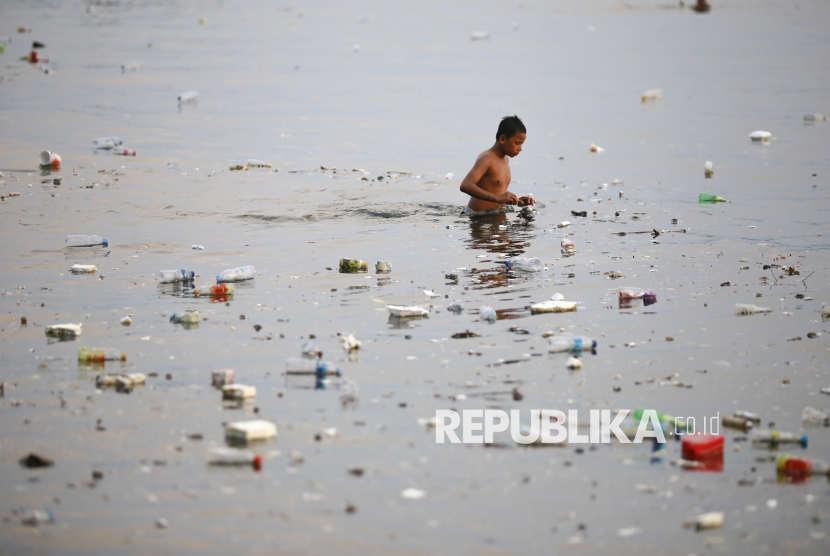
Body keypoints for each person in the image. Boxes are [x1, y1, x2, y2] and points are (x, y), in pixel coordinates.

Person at [460, 115, 536, 216]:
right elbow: (466, 185)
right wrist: (497, 198)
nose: (520, 148)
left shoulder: (506, 160)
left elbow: (497, 191)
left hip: (494, 218)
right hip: (477, 218)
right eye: (517, 143)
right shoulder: (487, 158)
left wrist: (516, 201)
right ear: (503, 139)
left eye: (521, 144)